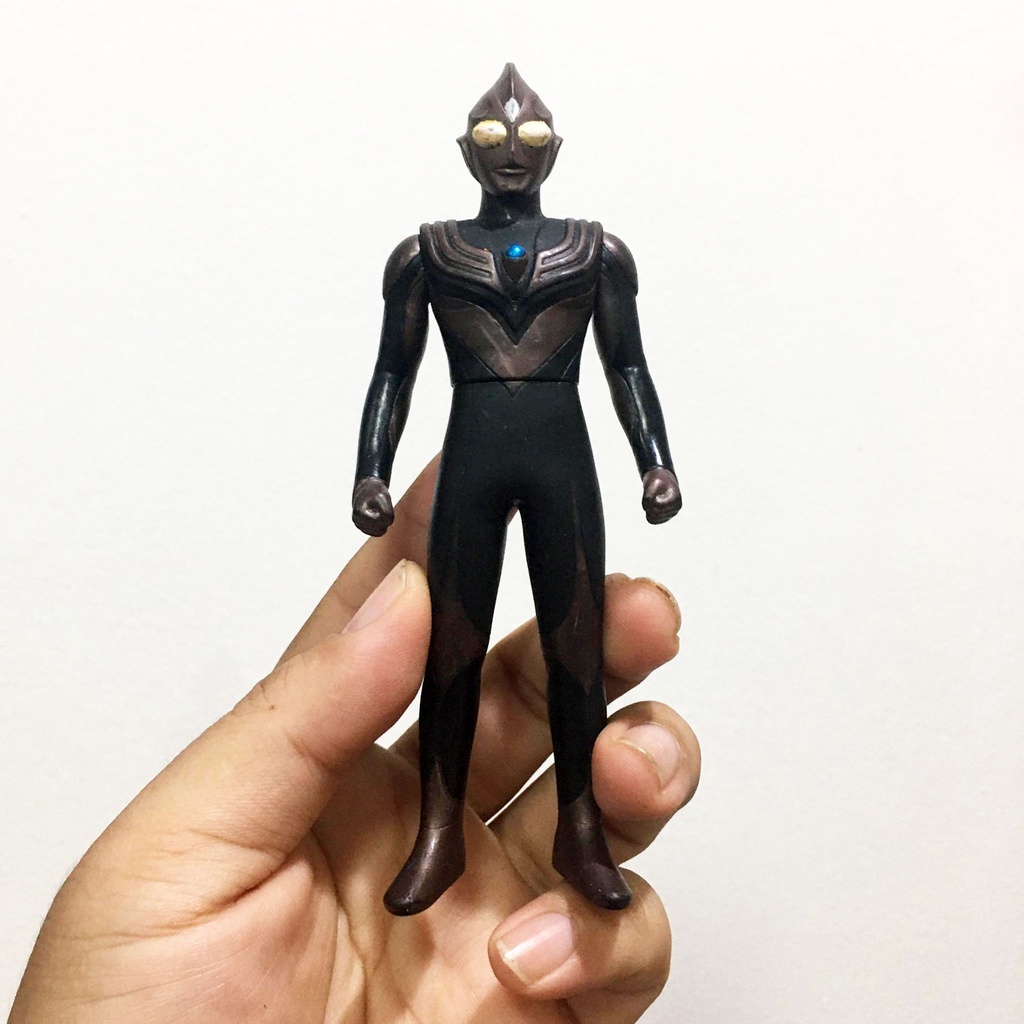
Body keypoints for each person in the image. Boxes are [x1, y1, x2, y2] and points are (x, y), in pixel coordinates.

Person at [9, 459, 700, 1024]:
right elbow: (394, 371)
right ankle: (438, 834)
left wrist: (655, 464)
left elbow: (627, 367)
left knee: (576, 649)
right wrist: (373, 473)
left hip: (560, 460)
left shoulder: (595, 305)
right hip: (477, 455)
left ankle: (578, 831)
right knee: (449, 656)